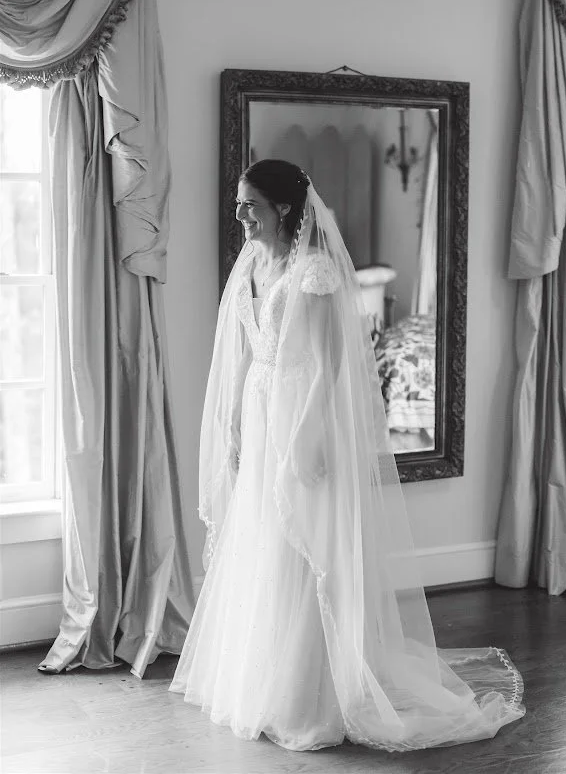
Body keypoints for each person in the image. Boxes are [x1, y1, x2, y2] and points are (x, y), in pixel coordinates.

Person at [169, 159, 525, 751]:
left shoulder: (315, 273)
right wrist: (234, 425)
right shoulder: (254, 265)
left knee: (303, 544)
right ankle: (258, 681)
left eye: (249, 204)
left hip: (301, 419)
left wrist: (305, 438)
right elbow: (244, 355)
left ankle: (308, 693)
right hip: (260, 414)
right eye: (239, 203)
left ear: (282, 208)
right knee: (262, 539)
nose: (240, 215)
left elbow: (330, 364)